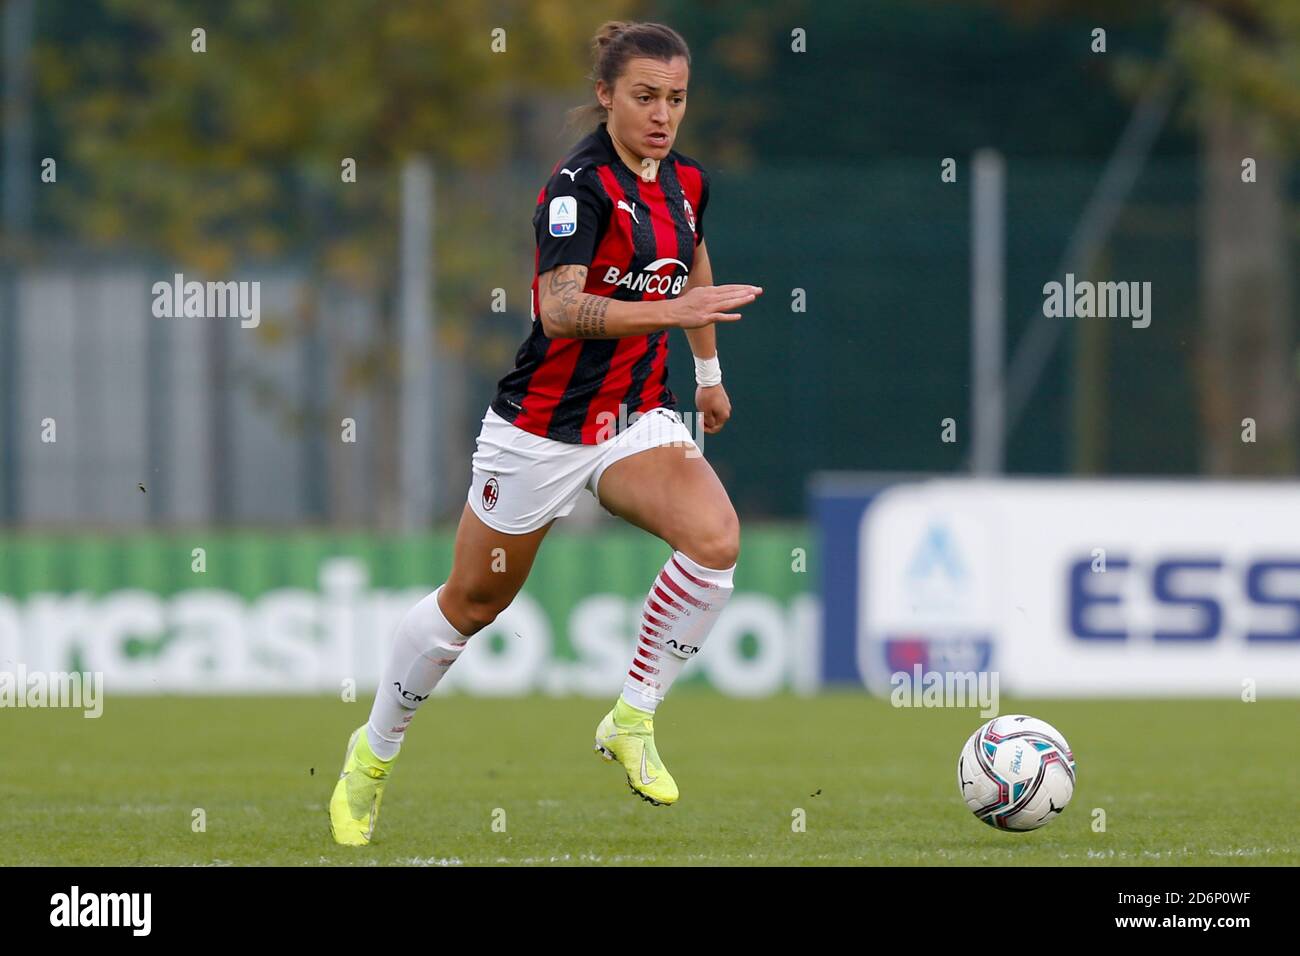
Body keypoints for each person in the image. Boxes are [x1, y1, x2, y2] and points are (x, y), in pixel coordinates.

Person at [330, 19, 762, 845]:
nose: (663, 114)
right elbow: (560, 308)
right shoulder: (578, 188)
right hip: (540, 429)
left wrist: (706, 375)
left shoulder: (686, 183)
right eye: (644, 97)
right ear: (605, 97)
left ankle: (631, 719)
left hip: (633, 417)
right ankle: (373, 754)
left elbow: (694, 265)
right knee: (474, 603)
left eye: (675, 98)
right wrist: (674, 313)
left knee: (716, 540)